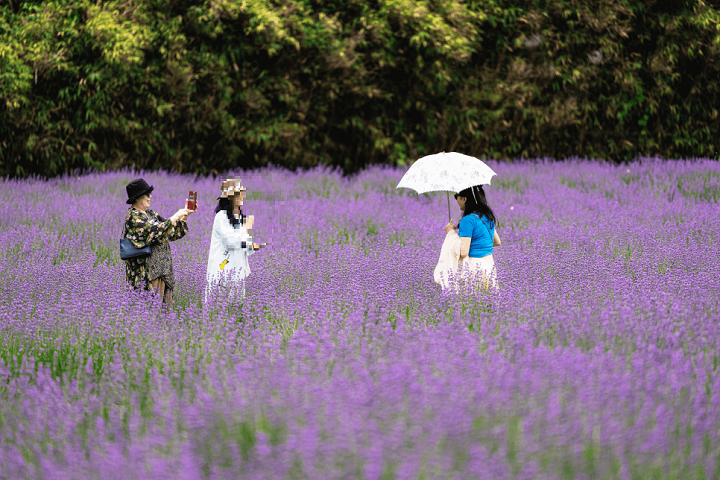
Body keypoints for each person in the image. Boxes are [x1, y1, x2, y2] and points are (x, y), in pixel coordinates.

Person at [123, 178, 195, 308]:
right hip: (146, 276)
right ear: (138, 197)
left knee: (164, 318)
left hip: (163, 273)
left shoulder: (150, 214)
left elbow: (169, 232)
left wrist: (184, 217)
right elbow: (156, 231)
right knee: (149, 315)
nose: (150, 197)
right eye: (147, 194)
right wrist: (175, 216)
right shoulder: (133, 217)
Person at [205, 178, 263, 304]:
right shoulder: (221, 216)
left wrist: (251, 246)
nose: (242, 196)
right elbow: (229, 242)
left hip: (237, 271)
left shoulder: (238, 217)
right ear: (229, 198)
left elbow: (240, 242)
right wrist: (246, 227)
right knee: (219, 311)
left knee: (235, 311)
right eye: (238, 193)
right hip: (222, 272)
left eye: (241, 192)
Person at [443, 185, 501, 291]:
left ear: (464, 199)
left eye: (457, 197)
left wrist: (451, 233)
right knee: (489, 303)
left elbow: (464, 252)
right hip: (489, 266)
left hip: (474, 268)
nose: (456, 200)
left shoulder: (468, 220)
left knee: (471, 303)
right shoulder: (488, 216)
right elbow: (497, 242)